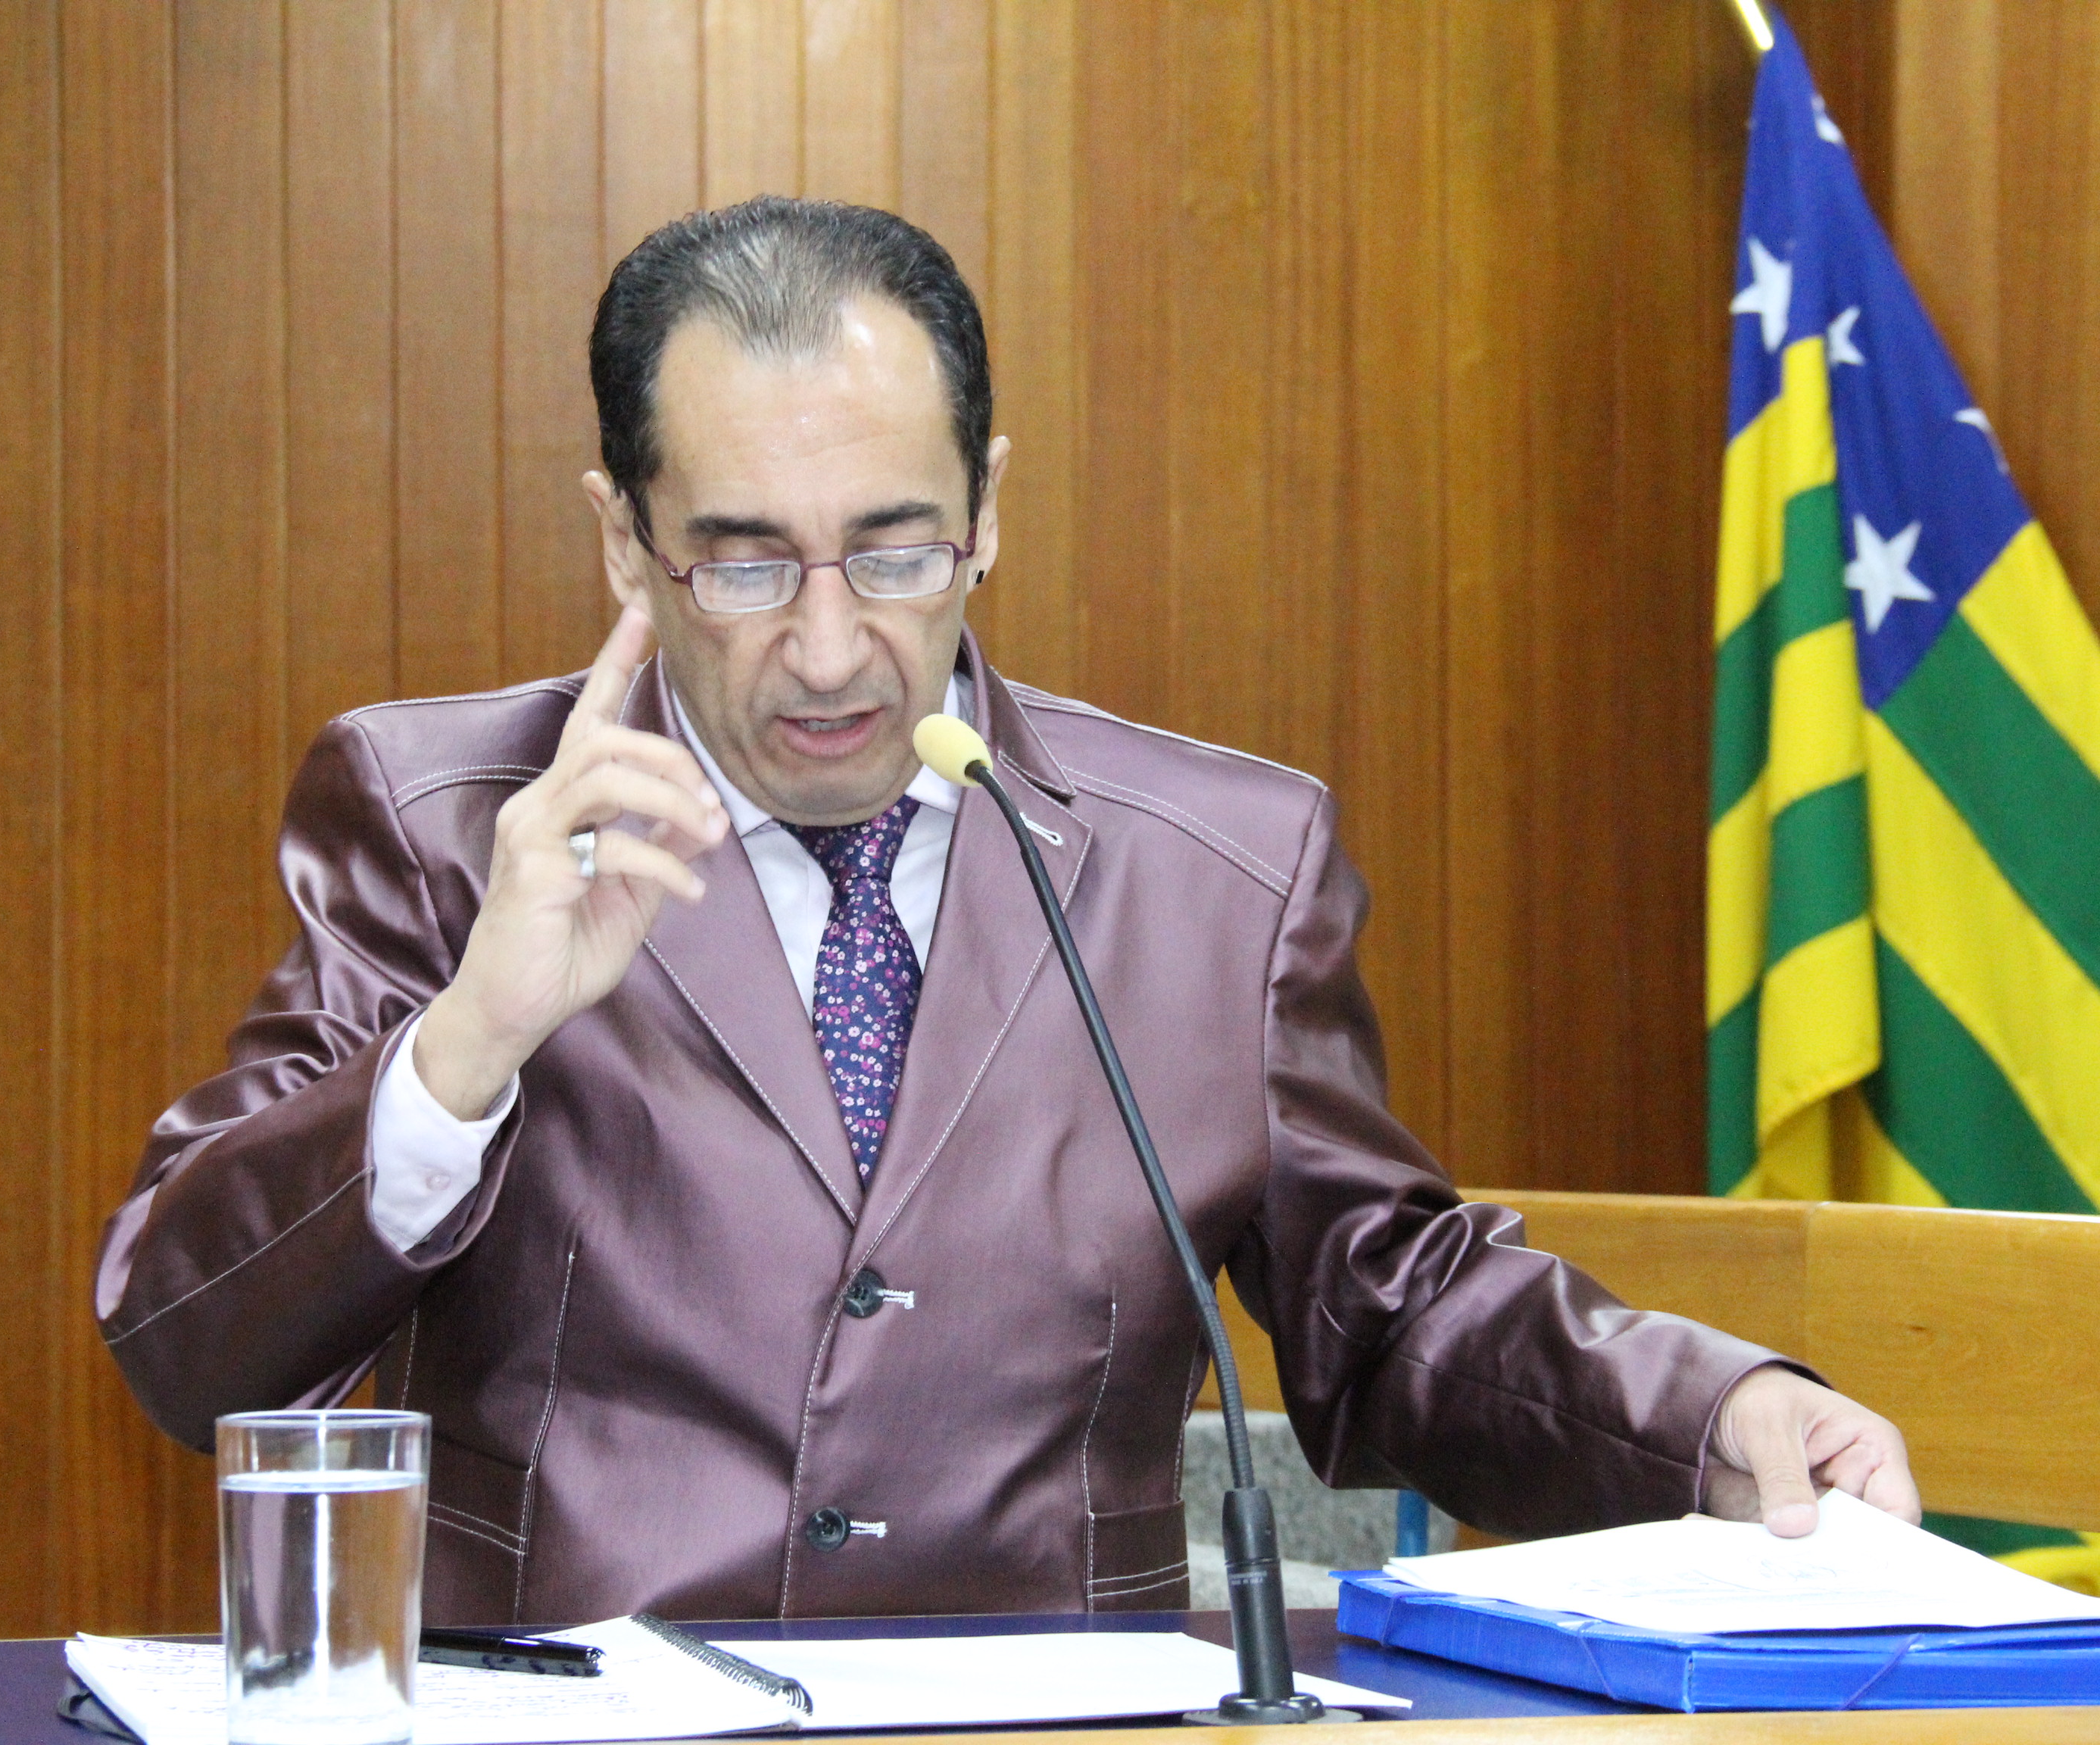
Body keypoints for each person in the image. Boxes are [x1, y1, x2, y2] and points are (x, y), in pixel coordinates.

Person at [96, 196, 1917, 1625]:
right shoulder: (445, 822)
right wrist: (470, 1042)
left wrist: (1711, 1418)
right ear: (624, 543)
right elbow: (183, 1345)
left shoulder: (1222, 869)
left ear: (988, 513)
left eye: (896, 551)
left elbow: (1386, 1308)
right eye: (744, 561)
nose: (831, 650)